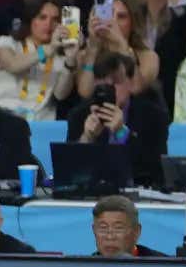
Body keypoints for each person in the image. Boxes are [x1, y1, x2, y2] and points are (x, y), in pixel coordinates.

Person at [68, 49, 170, 189]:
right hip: (93, 192)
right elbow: (70, 173)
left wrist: (121, 132)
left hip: (136, 192)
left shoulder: (154, 116)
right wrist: (87, 138)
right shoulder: (79, 115)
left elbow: (156, 171)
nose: (110, 88)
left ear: (130, 83)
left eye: (116, 81)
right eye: (103, 82)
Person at [89, 193, 165, 257]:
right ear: (94, 231)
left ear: (136, 231)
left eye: (118, 228)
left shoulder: (163, 266)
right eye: (103, 228)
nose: (110, 237)